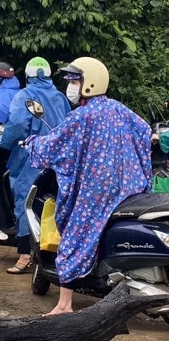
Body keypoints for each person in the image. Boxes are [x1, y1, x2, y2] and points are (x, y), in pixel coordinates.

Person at [25, 57, 152, 315]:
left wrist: (31, 143)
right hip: (129, 186)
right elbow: (145, 131)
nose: (70, 85)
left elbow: (53, 145)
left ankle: (64, 305)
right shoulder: (118, 109)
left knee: (73, 237)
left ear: (90, 83)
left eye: (75, 80)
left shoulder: (82, 116)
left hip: (100, 191)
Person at [0, 57, 71, 274]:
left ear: (27, 76)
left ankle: (25, 254)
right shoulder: (60, 97)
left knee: (25, 203)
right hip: (59, 160)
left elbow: (17, 126)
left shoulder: (25, 96)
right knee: (54, 204)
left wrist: (1, 142)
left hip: (30, 158)